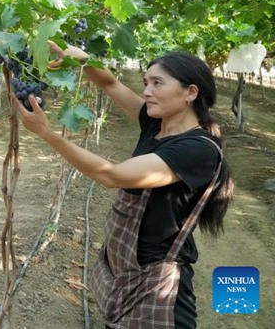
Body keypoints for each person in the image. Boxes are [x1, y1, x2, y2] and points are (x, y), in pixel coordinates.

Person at [14, 42, 234, 329]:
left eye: (157, 83)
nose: (146, 91)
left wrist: (47, 133)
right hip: (128, 272)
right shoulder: (158, 123)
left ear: (190, 93)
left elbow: (112, 175)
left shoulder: (196, 149)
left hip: (157, 285)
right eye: (146, 82)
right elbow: (110, 83)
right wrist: (81, 59)